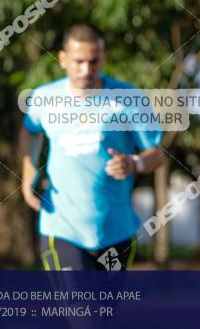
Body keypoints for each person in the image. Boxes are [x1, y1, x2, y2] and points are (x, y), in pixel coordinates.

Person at [19, 23, 166, 270]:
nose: (86, 70)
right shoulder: (43, 99)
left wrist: (134, 163)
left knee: (103, 310)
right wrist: (28, 170)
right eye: (79, 61)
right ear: (63, 59)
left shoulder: (128, 97)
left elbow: (157, 154)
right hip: (61, 228)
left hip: (116, 231)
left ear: (103, 57)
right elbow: (30, 131)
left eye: (94, 61)